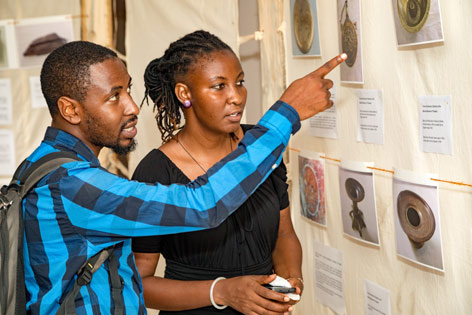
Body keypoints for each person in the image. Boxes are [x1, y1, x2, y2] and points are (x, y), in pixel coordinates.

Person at [20, 40, 345, 314]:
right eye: (114, 96)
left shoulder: (49, 169)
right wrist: (287, 113)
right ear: (71, 110)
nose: (133, 107)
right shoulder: (72, 185)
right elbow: (201, 205)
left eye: (128, 90)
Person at [132, 30, 304, 315]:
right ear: (184, 94)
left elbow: (284, 234)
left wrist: (290, 281)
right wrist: (223, 291)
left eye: (239, 82)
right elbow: (140, 282)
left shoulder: (259, 149)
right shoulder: (156, 171)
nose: (236, 97)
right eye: (219, 86)